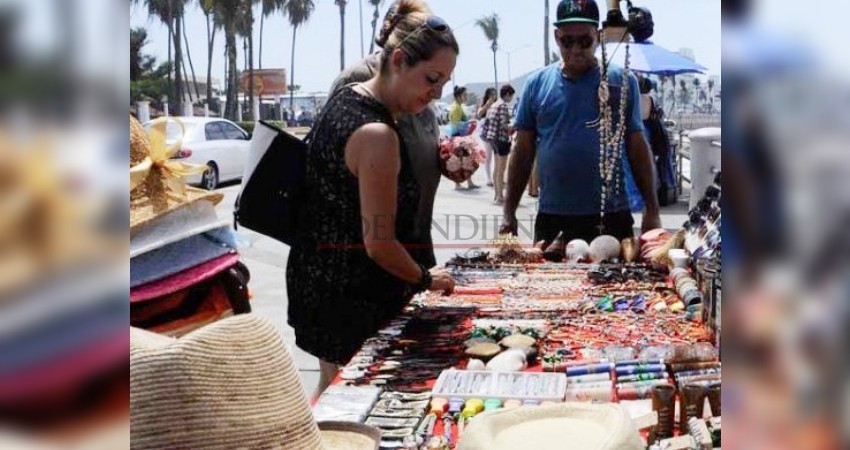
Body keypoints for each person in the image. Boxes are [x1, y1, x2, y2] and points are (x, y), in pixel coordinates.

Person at [287, 0, 458, 400]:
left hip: (320, 282)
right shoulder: (377, 134)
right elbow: (379, 243)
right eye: (431, 79)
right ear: (399, 60)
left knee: (332, 391)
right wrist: (426, 278)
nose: (436, 93)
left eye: (445, 84)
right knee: (350, 406)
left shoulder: (347, 96)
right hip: (351, 298)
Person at [500, 0, 661, 245]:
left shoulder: (623, 82)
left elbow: (637, 145)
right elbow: (522, 152)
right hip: (554, 217)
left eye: (584, 41)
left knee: (619, 285)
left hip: (611, 217)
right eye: (567, 41)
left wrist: (652, 208)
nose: (575, 49)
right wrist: (508, 212)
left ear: (598, 36)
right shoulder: (536, 84)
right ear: (556, 37)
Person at [330, 1, 444, 269]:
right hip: (371, 255)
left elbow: (422, 146)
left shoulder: (421, 79)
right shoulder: (359, 80)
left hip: (417, 237)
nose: (436, 91)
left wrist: (449, 160)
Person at [485, 84, 515, 204]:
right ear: (507, 94)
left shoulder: (494, 105)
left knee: (497, 168)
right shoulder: (503, 106)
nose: (511, 99)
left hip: (492, 138)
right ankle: (499, 197)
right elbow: (504, 125)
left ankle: (497, 195)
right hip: (501, 139)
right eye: (511, 96)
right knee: (501, 169)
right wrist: (515, 125)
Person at [448, 85, 480, 190]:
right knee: (460, 161)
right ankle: (458, 184)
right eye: (464, 95)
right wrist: (467, 123)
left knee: (465, 160)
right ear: (458, 96)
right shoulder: (456, 108)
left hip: (459, 137)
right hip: (458, 138)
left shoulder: (458, 106)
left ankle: (469, 182)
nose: (466, 97)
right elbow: (456, 124)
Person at [476, 87, 498, 186]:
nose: (493, 96)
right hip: (486, 133)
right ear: (487, 96)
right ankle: (489, 179)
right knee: (489, 156)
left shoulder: (498, 105)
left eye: (495, 94)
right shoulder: (485, 105)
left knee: (497, 157)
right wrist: (487, 105)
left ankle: (497, 177)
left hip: (496, 133)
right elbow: (479, 115)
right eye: (491, 94)